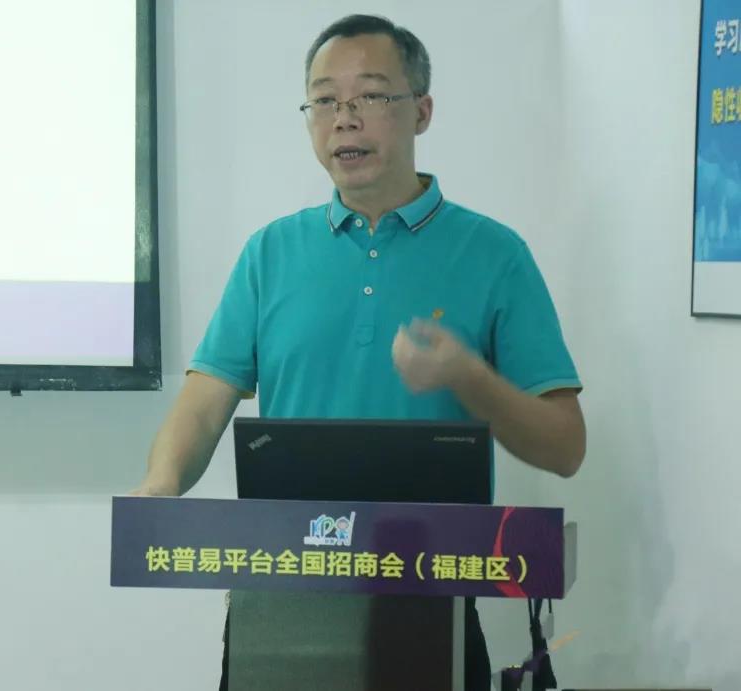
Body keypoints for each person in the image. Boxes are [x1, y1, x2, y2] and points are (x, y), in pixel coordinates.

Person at [131, 14, 586, 691]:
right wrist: (162, 484)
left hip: (430, 606)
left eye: (370, 95)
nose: (344, 118)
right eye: (324, 101)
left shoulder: (495, 255)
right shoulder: (269, 253)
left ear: (422, 110)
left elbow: (565, 446)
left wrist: (469, 377)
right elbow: (203, 403)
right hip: (280, 601)